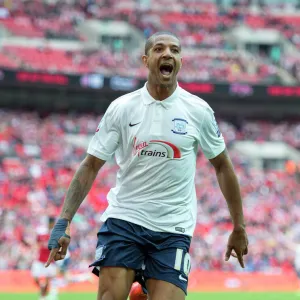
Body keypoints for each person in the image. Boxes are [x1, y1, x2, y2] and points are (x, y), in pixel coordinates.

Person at [45, 31, 248, 300]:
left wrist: (239, 227)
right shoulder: (122, 108)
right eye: (160, 49)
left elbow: (223, 166)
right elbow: (90, 165)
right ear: (145, 59)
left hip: (173, 228)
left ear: (180, 61)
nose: (168, 54)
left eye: (175, 50)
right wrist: (64, 221)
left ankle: (141, 292)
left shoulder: (198, 111)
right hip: (125, 220)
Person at [32, 217, 57, 300]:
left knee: (47, 280)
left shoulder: (55, 234)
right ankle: (42, 289)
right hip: (39, 260)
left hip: (49, 261)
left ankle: (43, 297)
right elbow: (36, 244)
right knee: (35, 278)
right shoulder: (42, 234)